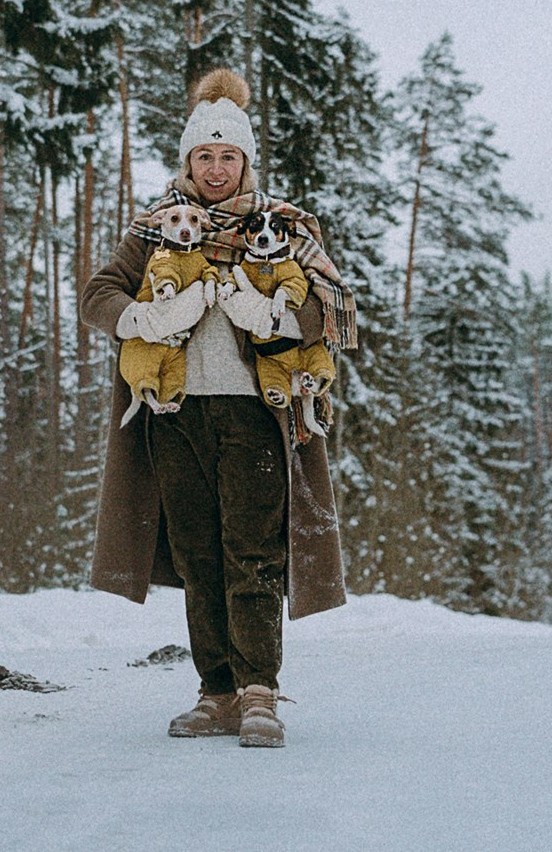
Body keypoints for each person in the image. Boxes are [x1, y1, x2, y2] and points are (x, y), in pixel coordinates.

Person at [79, 68, 356, 749]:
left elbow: (331, 306)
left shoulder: (279, 227)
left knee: (252, 553)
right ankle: (218, 693)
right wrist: (143, 317)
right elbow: (97, 295)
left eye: (227, 155)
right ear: (187, 161)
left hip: (253, 413)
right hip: (175, 414)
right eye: (203, 155)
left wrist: (280, 321)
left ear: (246, 161)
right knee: (200, 556)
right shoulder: (156, 229)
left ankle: (259, 692)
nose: (215, 167)